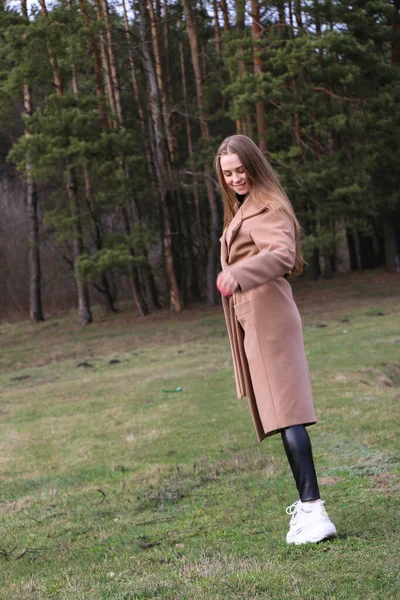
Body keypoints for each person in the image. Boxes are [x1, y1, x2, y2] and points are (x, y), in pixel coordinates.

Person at [215, 134, 337, 545]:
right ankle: (309, 508)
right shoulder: (246, 207)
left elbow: (282, 254)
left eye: (239, 169)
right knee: (285, 416)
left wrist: (239, 274)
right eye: (227, 173)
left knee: (288, 414)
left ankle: (314, 511)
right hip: (259, 319)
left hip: (269, 319)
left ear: (254, 164)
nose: (234, 178)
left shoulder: (267, 207)